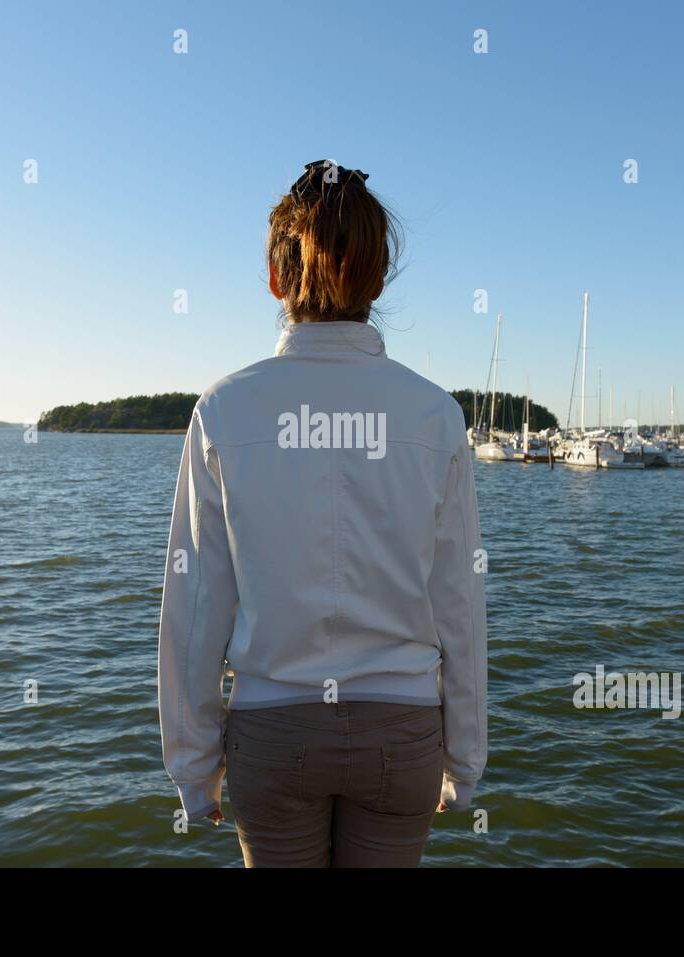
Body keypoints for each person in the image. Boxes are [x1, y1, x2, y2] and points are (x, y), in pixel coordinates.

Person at [157, 160, 487, 867]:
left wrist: (192, 767)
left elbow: (196, 604)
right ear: (376, 278)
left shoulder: (224, 409)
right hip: (401, 736)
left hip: (274, 734)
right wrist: (465, 757)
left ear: (278, 279)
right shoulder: (437, 415)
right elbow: (458, 600)